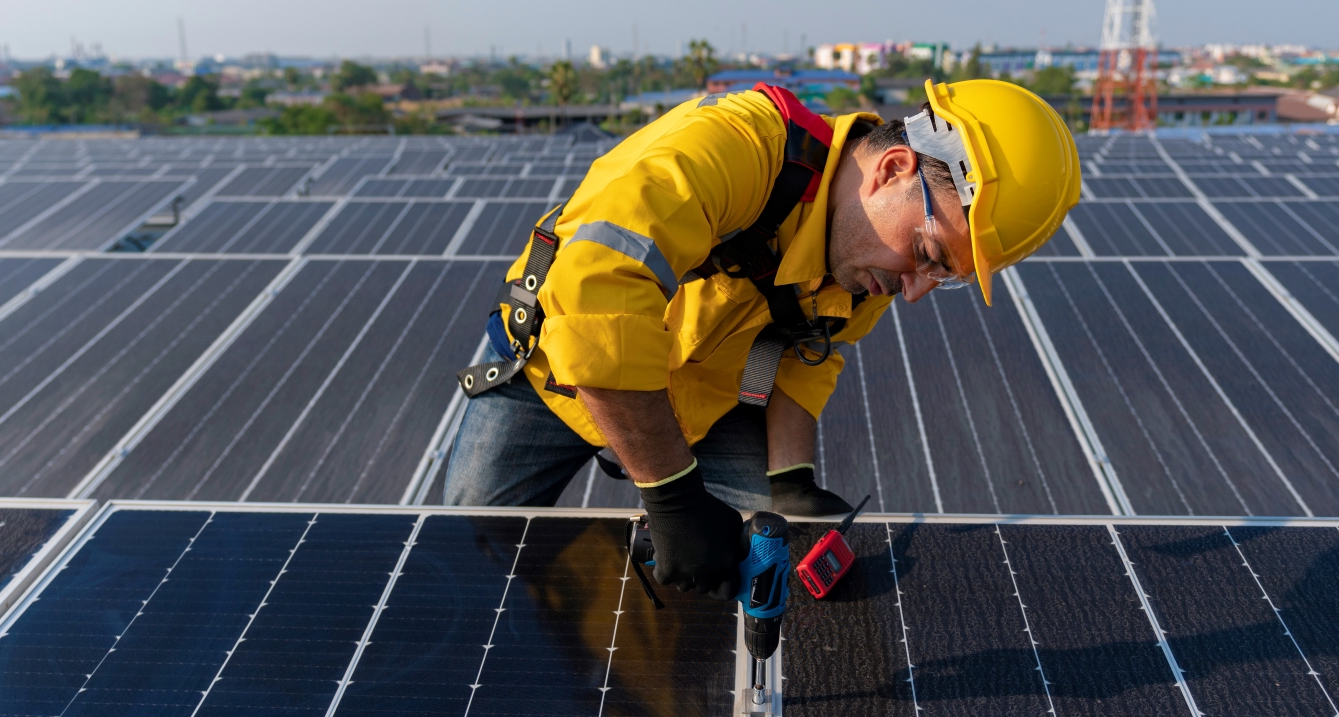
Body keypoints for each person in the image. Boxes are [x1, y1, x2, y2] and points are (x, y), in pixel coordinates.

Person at [446, 79, 1080, 600]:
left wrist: (790, 477)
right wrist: (671, 497)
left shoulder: (866, 261)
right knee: (469, 552)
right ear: (892, 169)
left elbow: (812, 355)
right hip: (554, 373)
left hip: (699, 402)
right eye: (926, 253)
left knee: (766, 570)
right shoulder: (739, 147)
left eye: (945, 277)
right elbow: (595, 297)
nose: (914, 290)